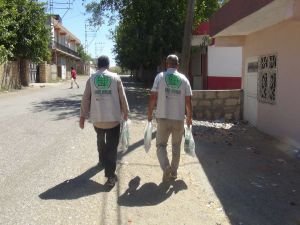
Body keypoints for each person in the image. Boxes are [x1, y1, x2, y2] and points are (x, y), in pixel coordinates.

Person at [79, 55, 129, 187]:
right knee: (112, 147)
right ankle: (111, 177)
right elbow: (122, 97)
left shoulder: (92, 78)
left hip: (97, 119)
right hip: (113, 120)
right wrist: (126, 112)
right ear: (108, 65)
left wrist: (82, 117)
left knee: (100, 139)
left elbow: (86, 99)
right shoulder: (115, 78)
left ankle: (102, 160)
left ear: (97, 65)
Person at [147, 54, 192, 182]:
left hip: (163, 117)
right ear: (177, 65)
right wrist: (189, 117)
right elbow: (188, 101)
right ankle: (173, 172)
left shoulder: (160, 77)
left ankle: (166, 167)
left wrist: (149, 113)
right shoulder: (184, 79)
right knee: (176, 146)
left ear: (167, 64)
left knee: (161, 145)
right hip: (178, 119)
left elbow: (153, 97)